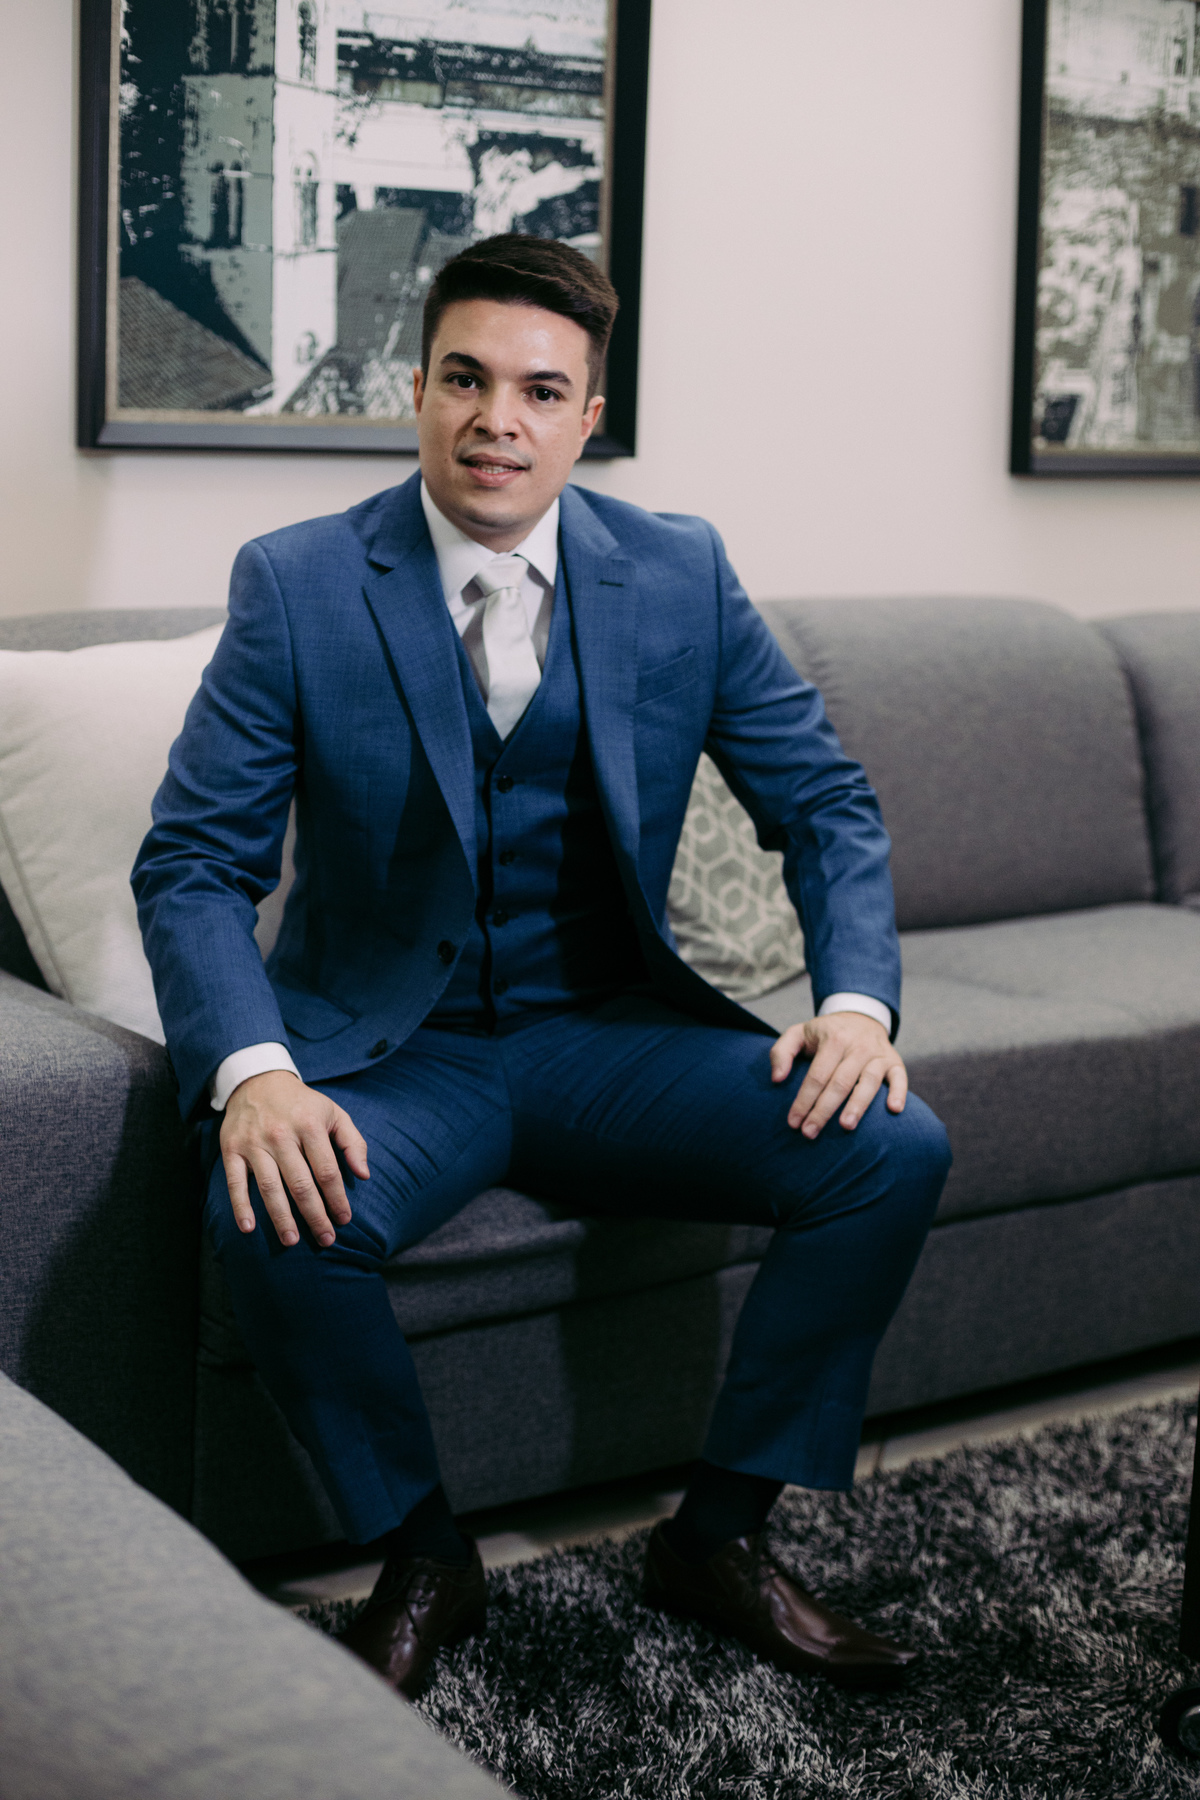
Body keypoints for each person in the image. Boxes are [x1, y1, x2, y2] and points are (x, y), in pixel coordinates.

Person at [133, 233, 951, 1700]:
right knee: (270, 1209)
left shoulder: (681, 571)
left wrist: (853, 1005)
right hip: (396, 1051)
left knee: (891, 1147)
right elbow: (194, 864)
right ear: (418, 391)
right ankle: (421, 1552)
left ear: (588, 419)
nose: (495, 419)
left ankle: (719, 1535)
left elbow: (825, 801)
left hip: (605, 1033)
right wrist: (252, 1074)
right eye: (465, 378)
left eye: (539, 390)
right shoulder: (301, 582)